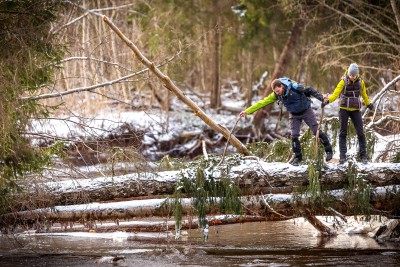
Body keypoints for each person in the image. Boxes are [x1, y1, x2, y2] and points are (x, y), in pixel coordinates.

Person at [240, 78, 333, 166]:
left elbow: (309, 90)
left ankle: (329, 150)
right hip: (294, 114)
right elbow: (262, 102)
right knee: (294, 136)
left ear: (282, 86)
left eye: (278, 91)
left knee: (315, 130)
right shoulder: (276, 95)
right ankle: (298, 157)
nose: (277, 93)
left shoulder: (295, 87)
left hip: (306, 111)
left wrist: (321, 98)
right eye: (275, 92)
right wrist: (247, 111)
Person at [322, 63, 373, 164]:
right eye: (350, 74)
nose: (351, 76)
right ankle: (342, 156)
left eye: (353, 75)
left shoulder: (360, 82)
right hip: (344, 109)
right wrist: (327, 101)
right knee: (343, 132)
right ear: (348, 73)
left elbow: (364, 94)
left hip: (355, 110)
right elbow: (335, 94)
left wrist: (368, 104)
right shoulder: (343, 81)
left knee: (360, 132)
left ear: (356, 74)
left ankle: (363, 157)